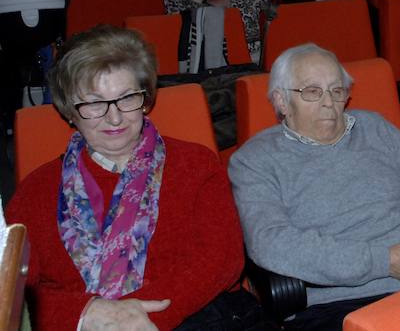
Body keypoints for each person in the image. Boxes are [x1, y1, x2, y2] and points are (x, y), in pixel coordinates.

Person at [5, 26, 244, 329]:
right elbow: (13, 290)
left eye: (127, 98)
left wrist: (133, 319)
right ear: (69, 110)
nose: (114, 117)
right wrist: (85, 313)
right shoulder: (35, 192)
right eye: (93, 103)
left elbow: (222, 261)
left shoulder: (196, 164)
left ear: (145, 99)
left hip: (192, 319)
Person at [229, 44, 400, 329]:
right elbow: (271, 242)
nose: (329, 103)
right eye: (312, 92)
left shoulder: (373, 128)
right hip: (339, 305)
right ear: (281, 102)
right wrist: (384, 261)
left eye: (337, 91)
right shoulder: (255, 159)